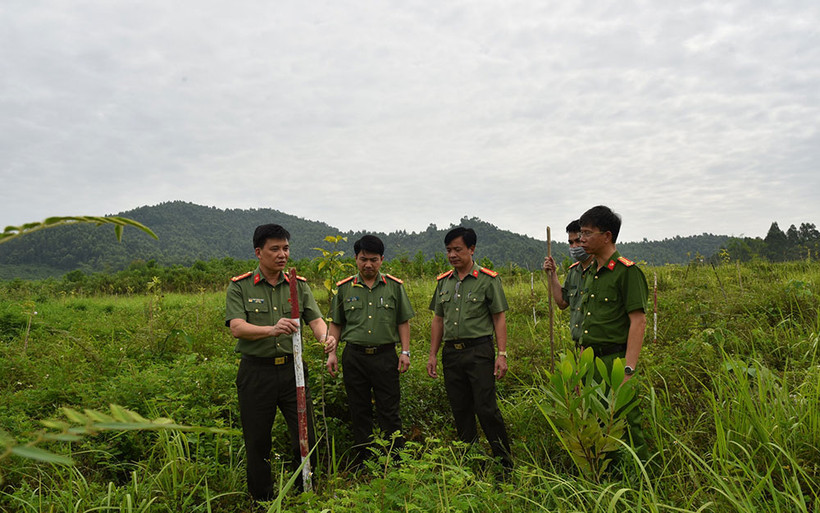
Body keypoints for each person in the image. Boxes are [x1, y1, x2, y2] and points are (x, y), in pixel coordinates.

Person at [225, 223, 337, 501]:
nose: (282, 254)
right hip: (256, 372)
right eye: (274, 249)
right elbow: (237, 327)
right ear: (258, 252)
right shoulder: (239, 287)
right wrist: (271, 329)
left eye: (285, 248)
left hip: (293, 371)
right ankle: (262, 499)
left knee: (305, 434)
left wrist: (325, 338)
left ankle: (305, 493)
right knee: (257, 439)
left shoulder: (298, 286)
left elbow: (315, 320)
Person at [426, 227, 513, 473]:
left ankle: (504, 464)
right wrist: (432, 355)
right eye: (448, 250)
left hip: (479, 351)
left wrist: (502, 354)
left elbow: (499, 318)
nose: (452, 255)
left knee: (486, 408)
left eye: (457, 249)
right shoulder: (444, 281)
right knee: (460, 409)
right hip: (451, 353)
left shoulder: (487, 279)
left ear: (472, 249)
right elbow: (438, 320)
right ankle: (471, 463)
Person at [325, 235, 415, 468]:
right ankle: (363, 462)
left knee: (390, 409)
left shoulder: (394, 286)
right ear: (355, 259)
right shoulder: (344, 288)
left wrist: (405, 352)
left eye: (373, 260)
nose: (368, 265)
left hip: (385, 356)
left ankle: (395, 461)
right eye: (363, 259)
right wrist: (331, 353)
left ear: (382, 260)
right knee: (359, 409)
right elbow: (336, 323)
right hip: (354, 357)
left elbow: (403, 321)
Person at [577, 205, 649, 459]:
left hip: (615, 362)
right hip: (590, 362)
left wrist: (628, 369)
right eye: (581, 233)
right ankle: (602, 480)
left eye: (587, 233)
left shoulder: (627, 272)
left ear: (607, 236)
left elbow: (638, 322)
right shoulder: (590, 273)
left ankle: (635, 479)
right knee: (595, 423)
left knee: (624, 424)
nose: (581, 239)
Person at [543, 219, 596, 345]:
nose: (574, 247)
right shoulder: (574, 272)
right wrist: (552, 274)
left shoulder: (601, 270)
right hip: (578, 344)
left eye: (578, 241)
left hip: (598, 345)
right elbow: (562, 303)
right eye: (571, 243)